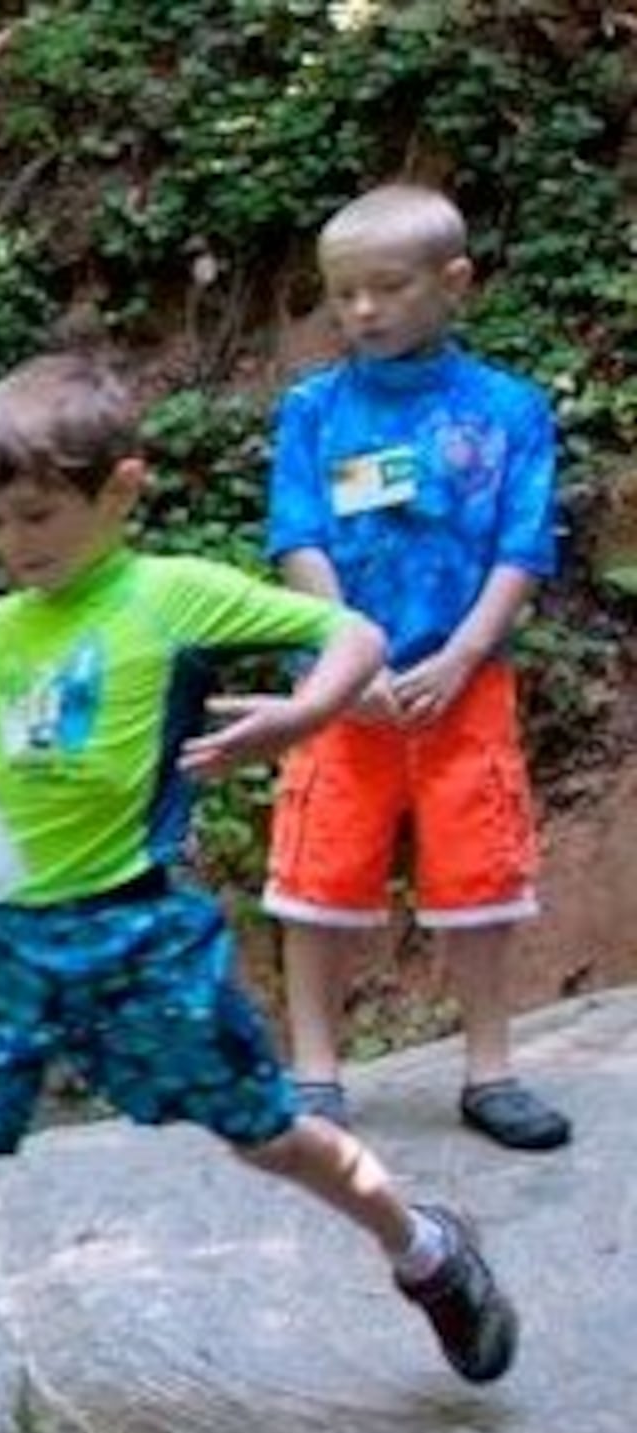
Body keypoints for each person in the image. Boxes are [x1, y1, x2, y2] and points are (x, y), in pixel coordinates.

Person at [0, 352, 520, 1433]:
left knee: (271, 1139)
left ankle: (426, 1249)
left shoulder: (170, 594)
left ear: (122, 490)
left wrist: (293, 719)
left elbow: (356, 640)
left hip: (138, 938)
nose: (19, 544)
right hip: (2, 935)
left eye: (41, 515)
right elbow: (11, 778)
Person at [259, 182, 568, 1151]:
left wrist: (467, 652)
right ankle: (315, 1071)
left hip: (466, 689)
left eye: (387, 288)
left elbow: (523, 547)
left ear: (455, 283)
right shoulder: (313, 412)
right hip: (343, 695)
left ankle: (490, 1071)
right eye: (343, 293)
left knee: (480, 878)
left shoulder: (510, 410)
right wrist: (350, 654)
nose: (362, 311)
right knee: (317, 877)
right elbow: (297, 537)